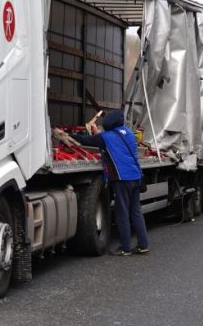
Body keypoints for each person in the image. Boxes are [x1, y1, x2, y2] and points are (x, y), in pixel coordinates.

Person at [60, 109, 149, 256]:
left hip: (122, 179)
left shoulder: (106, 137)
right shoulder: (128, 133)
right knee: (136, 212)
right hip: (136, 176)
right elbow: (111, 142)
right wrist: (97, 133)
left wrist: (66, 135)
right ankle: (143, 245)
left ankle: (125, 248)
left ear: (108, 124)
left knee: (122, 214)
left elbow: (85, 140)